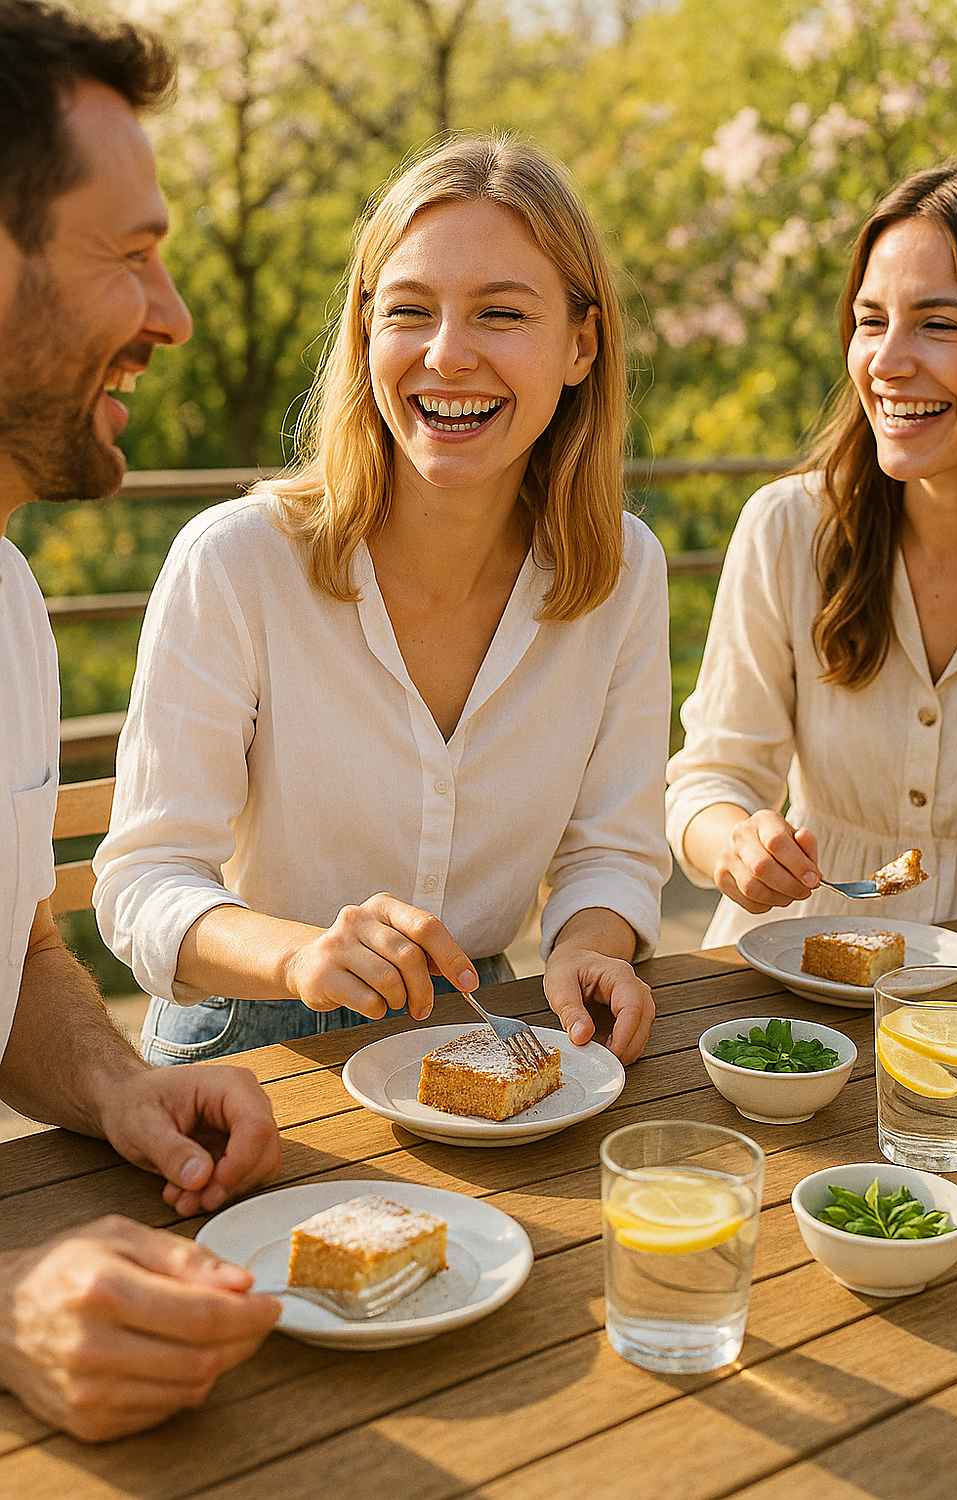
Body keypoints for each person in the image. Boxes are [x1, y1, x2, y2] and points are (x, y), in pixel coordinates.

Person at [93, 135, 672, 1069]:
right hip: (245, 1050)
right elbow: (142, 882)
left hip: (487, 1025)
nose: (448, 355)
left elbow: (613, 851)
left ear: (580, 344)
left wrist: (586, 950)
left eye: (500, 314)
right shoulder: (235, 561)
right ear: (366, 337)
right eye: (410, 310)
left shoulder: (624, 573)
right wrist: (300, 956)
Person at [0, 2, 281, 1442]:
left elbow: (15, 948)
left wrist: (121, 1086)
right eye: (134, 255)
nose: (172, 317)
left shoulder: (8, 605)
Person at [665, 155, 957, 951]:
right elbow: (710, 780)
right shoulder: (788, 528)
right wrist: (735, 844)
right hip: (788, 973)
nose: (885, 362)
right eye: (871, 319)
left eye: (939, 324)